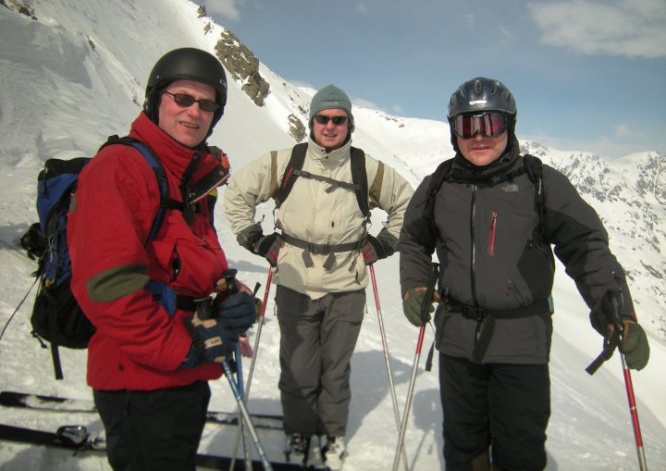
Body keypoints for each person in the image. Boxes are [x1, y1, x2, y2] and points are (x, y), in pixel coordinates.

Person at [398, 76, 650, 471]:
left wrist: (617, 312)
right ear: (453, 131)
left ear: (509, 126)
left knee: (520, 450)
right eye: (467, 125)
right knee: (463, 446)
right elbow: (413, 240)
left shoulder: (539, 183)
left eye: (491, 124)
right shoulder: (438, 187)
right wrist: (413, 284)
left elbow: (586, 248)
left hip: (521, 342)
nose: (479, 136)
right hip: (457, 340)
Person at [68, 47, 257, 471]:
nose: (194, 112)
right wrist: (182, 349)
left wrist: (232, 295)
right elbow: (108, 287)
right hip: (141, 381)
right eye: (183, 98)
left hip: (184, 373)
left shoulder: (189, 179)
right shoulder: (121, 168)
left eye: (207, 104)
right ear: (157, 100)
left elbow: (191, 268)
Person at [224, 84, 414, 469]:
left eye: (338, 119)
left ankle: (331, 433)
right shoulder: (285, 162)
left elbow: (407, 204)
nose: (330, 126)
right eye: (322, 119)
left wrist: (382, 245)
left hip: (346, 287)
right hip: (295, 282)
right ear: (311, 122)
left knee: (335, 368)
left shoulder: (366, 168)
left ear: (349, 124)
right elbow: (237, 194)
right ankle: (297, 431)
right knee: (297, 367)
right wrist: (258, 241)